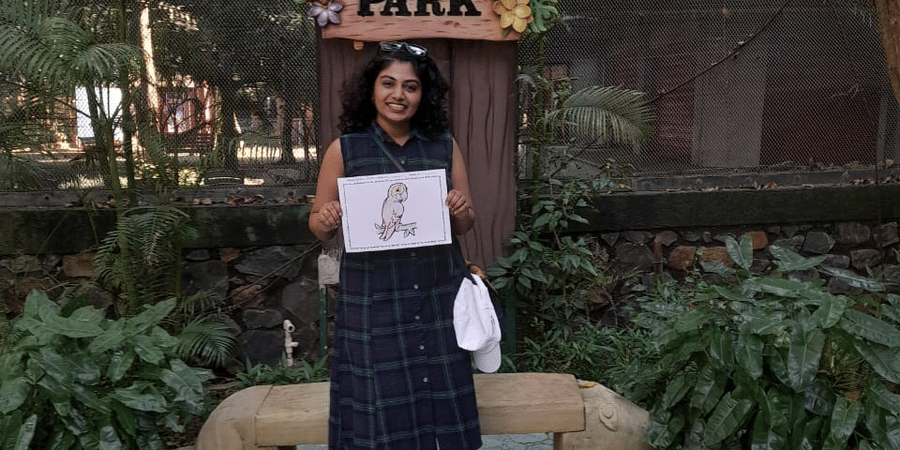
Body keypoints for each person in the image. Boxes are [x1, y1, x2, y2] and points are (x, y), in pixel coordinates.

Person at [308, 41, 482, 450]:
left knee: (442, 396)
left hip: (437, 290)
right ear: (372, 89)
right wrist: (327, 218)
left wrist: (460, 207)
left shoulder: (444, 145)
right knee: (379, 401)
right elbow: (318, 225)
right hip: (374, 296)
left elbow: (467, 220)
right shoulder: (344, 149)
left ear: (424, 94)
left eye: (411, 86)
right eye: (388, 83)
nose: (398, 95)